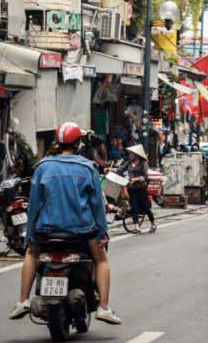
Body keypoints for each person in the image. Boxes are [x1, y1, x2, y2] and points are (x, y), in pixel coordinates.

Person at [9, 122, 119, 324]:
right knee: (101, 259)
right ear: (78, 144)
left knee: (31, 253)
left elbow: (34, 205)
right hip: (82, 231)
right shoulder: (88, 168)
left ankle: (23, 301)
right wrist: (103, 232)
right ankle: (103, 307)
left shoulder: (42, 167)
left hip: (47, 231)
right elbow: (97, 205)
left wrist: (31, 235)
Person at [124, 143, 157, 232]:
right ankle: (136, 226)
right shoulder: (130, 162)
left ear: (137, 154)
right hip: (131, 189)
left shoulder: (143, 162)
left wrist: (136, 179)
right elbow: (121, 169)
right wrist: (110, 170)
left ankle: (153, 224)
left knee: (146, 207)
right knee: (134, 207)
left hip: (141, 188)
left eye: (133, 153)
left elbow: (146, 177)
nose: (131, 155)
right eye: (130, 153)